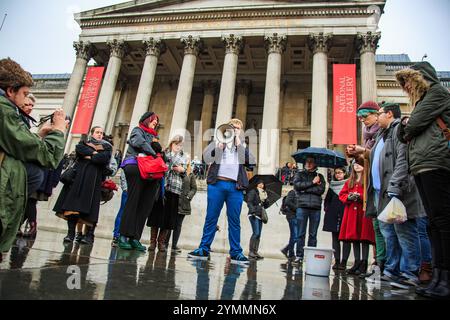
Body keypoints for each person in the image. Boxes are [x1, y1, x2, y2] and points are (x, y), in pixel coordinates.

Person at [0, 58, 66, 260]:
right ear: (11, 91)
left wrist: (39, 135)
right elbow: (46, 155)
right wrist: (59, 130)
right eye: (25, 94)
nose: (27, 100)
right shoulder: (4, 110)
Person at [396, 61, 450, 299]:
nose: (406, 88)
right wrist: (406, 127)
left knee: (443, 221)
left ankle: (446, 275)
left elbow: (411, 126)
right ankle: (438, 276)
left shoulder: (437, 92)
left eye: (408, 82)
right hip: (422, 165)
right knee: (433, 224)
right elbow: (402, 133)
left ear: (419, 78)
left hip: (437, 162)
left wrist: (407, 125)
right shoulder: (422, 102)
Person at [362, 103, 426, 286]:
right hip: (381, 191)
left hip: (397, 190)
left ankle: (410, 273)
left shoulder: (398, 130)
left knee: (405, 233)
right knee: (389, 233)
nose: (377, 117)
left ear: (389, 114)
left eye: (380, 114)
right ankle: (392, 270)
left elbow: (402, 160)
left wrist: (395, 187)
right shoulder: (383, 134)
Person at [188, 119, 256, 264]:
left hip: (235, 188)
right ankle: (204, 248)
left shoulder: (242, 145)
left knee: (234, 221)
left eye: (238, 128)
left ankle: (236, 252)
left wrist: (238, 144)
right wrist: (219, 147)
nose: (235, 129)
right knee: (211, 218)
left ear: (241, 131)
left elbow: (251, 162)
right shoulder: (218, 141)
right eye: (232, 127)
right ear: (227, 128)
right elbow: (206, 158)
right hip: (217, 184)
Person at [53, 126, 112, 244]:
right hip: (78, 180)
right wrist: (94, 154)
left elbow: (102, 159)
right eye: (97, 132)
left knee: (91, 210)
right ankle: (70, 234)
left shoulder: (106, 147)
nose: (100, 134)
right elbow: (80, 150)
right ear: (92, 133)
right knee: (72, 208)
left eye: (101, 133)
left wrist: (90, 155)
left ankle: (89, 236)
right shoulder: (83, 143)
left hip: (94, 182)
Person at [347, 101, 386, 273]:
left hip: (382, 185)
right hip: (372, 184)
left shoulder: (383, 133)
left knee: (384, 228)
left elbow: (381, 156)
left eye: (365, 116)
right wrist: (356, 155)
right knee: (377, 227)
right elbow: (367, 162)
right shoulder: (367, 135)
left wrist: (363, 150)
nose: (362, 120)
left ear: (377, 114)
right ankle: (378, 263)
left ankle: (386, 265)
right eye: (360, 118)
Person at [117, 111, 162, 251]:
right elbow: (138, 142)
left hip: (151, 171)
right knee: (133, 201)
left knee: (145, 205)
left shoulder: (155, 136)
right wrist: (154, 153)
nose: (156, 122)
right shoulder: (138, 130)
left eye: (157, 121)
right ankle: (123, 236)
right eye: (154, 119)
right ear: (147, 120)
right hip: (136, 167)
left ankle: (135, 237)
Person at [148, 134, 187, 252]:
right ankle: (152, 242)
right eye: (176, 144)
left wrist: (182, 170)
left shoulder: (183, 157)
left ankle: (161, 243)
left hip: (175, 189)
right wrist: (175, 166)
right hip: (162, 188)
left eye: (180, 145)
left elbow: (184, 172)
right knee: (156, 216)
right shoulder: (164, 153)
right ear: (171, 144)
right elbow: (165, 165)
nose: (178, 147)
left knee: (168, 218)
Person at [338, 159, 375, 276]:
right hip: (351, 212)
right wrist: (349, 197)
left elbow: (371, 195)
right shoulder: (350, 181)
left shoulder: (368, 181)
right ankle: (357, 261)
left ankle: (364, 262)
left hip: (363, 212)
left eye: (360, 164)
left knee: (363, 238)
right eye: (355, 164)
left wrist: (361, 197)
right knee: (354, 238)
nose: (357, 166)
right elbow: (342, 194)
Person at [292, 156, 326, 265]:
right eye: (307, 161)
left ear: (315, 164)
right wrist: (312, 183)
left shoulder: (320, 176)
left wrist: (305, 189)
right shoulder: (300, 174)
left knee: (313, 234)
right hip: (302, 206)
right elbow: (297, 186)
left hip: (315, 208)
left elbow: (321, 190)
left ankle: (311, 257)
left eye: (311, 162)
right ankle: (299, 256)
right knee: (300, 233)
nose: (309, 164)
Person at [165, 157, 197, 252]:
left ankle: (174, 245)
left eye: (187, 162)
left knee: (178, 225)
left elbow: (194, 188)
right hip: (174, 200)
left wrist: (188, 197)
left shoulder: (190, 175)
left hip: (184, 203)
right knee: (170, 222)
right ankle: (165, 243)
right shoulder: (176, 172)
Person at [323, 167, 348, 270]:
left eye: (340, 173)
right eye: (336, 173)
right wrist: (327, 208)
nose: (338, 175)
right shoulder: (332, 185)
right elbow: (327, 200)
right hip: (333, 214)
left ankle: (344, 262)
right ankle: (337, 260)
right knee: (335, 239)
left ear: (344, 173)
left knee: (346, 239)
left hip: (345, 214)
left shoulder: (348, 184)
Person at [246, 180, 269, 260]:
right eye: (259, 183)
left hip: (260, 215)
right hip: (253, 214)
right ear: (257, 184)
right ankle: (251, 252)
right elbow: (249, 202)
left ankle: (255, 252)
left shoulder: (264, 194)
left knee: (259, 234)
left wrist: (266, 199)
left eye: (262, 183)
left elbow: (266, 206)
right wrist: (252, 211)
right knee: (256, 233)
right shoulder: (253, 192)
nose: (261, 185)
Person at [280, 189, 298, 262]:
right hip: (292, 216)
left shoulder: (301, 193)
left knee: (295, 236)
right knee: (295, 236)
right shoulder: (293, 192)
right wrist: (297, 209)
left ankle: (287, 251)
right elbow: (287, 202)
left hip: (297, 216)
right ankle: (290, 253)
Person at [111, 169, 128, 247]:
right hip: (128, 190)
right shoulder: (131, 157)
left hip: (132, 190)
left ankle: (123, 236)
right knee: (122, 212)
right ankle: (117, 235)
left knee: (124, 213)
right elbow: (124, 173)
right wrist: (125, 188)